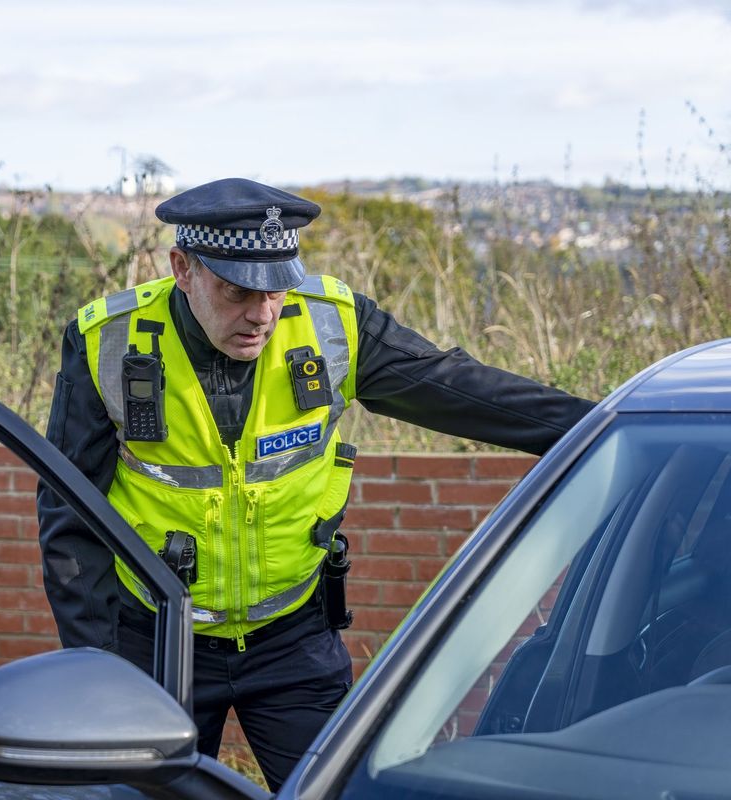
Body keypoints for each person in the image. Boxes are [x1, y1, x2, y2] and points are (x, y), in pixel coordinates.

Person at [36, 178, 595, 790]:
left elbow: (459, 390)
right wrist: (100, 669)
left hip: (293, 642)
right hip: (156, 643)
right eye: (237, 291)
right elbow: (71, 515)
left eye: (277, 289)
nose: (262, 315)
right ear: (182, 268)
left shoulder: (332, 324)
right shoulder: (107, 342)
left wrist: (608, 423)